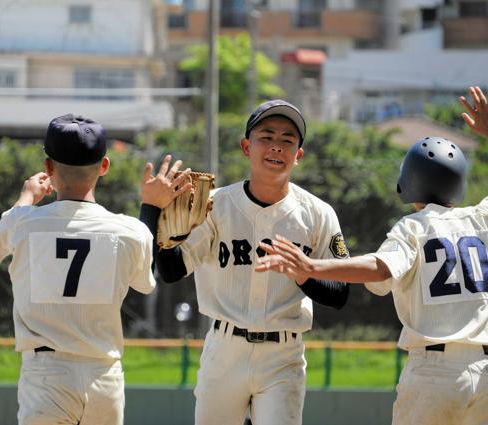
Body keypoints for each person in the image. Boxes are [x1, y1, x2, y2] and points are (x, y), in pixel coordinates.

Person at [256, 87, 488, 425]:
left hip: (435, 372)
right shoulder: (487, 218)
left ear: (409, 181)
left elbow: (379, 268)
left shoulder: (414, 227)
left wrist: (313, 266)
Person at [139, 99, 350, 425]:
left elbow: (340, 294)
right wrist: (162, 229)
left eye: (287, 140)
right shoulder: (215, 205)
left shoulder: (318, 214)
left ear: (299, 154)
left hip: (283, 354)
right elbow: (170, 272)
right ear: (246, 146)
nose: (277, 146)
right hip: (225, 349)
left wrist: (304, 274)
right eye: (266, 136)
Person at [0, 114, 160, 425]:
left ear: (49, 168)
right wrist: (153, 209)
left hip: (46, 375)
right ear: (104, 166)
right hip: (103, 375)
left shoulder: (23, 222)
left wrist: (26, 199)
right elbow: (145, 284)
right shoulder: (130, 230)